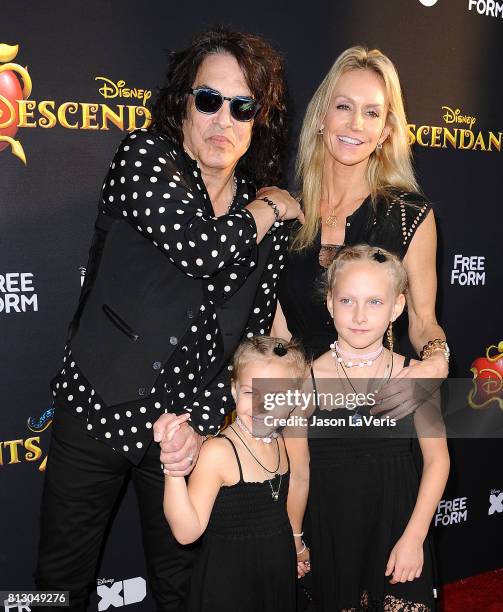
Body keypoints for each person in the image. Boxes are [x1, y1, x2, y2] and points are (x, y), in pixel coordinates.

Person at [34, 27, 303, 611]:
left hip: (182, 436)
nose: (222, 119)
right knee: (58, 586)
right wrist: (266, 208)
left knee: (187, 592)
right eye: (208, 99)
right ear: (184, 101)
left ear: (260, 120)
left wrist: (195, 427)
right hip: (95, 406)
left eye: (243, 107)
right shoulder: (144, 159)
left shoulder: (269, 218)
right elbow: (203, 246)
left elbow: (247, 341)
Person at [273, 46, 449, 420]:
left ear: (385, 131)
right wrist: (264, 414)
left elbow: (422, 322)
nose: (356, 125)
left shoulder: (409, 215)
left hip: (379, 411)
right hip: (301, 416)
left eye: (371, 113)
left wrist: (437, 363)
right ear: (321, 117)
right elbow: (278, 334)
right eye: (343, 107)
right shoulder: (286, 214)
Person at [297, 244, 450, 610]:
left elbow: (438, 462)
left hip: (399, 527)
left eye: (375, 302)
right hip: (332, 531)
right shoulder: (306, 380)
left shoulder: (415, 376)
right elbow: (296, 471)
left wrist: (414, 536)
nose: (360, 316)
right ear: (330, 303)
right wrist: (296, 538)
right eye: (348, 301)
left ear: (397, 307)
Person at [163, 336, 309, 612]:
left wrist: (294, 550)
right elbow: (186, 532)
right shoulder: (219, 453)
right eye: (250, 393)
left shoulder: (280, 441)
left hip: (275, 581)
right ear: (233, 390)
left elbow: (277, 516)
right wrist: (173, 468)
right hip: (228, 590)